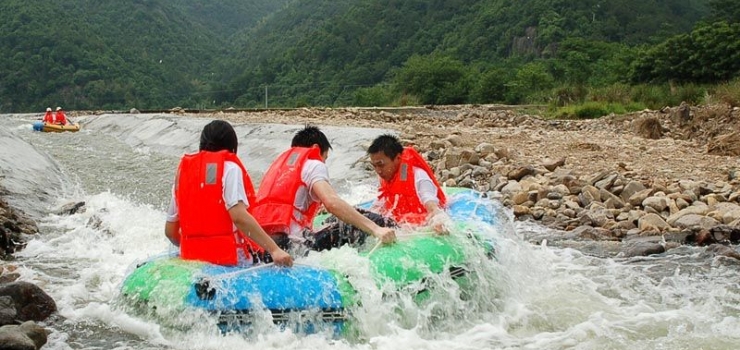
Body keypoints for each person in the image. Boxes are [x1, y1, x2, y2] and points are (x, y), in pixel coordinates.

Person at [164, 120, 292, 267]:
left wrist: (197, 248)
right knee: (282, 242)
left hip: (192, 260)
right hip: (230, 261)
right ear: (233, 147)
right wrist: (275, 250)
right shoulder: (230, 168)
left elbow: (170, 232)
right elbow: (239, 217)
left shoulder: (183, 175)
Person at [251, 125, 396, 254]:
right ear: (316, 148)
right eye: (325, 158)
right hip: (293, 248)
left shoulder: (279, 168)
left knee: (332, 219)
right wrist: (376, 229)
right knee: (369, 221)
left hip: (265, 246)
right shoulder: (313, 163)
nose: (323, 162)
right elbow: (332, 203)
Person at [367, 134, 450, 233]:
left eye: (381, 165)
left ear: (397, 158)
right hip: (401, 223)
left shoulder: (419, 176)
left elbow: (431, 205)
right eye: (374, 166)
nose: (378, 171)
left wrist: (438, 221)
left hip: (420, 225)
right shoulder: (385, 175)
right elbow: (381, 202)